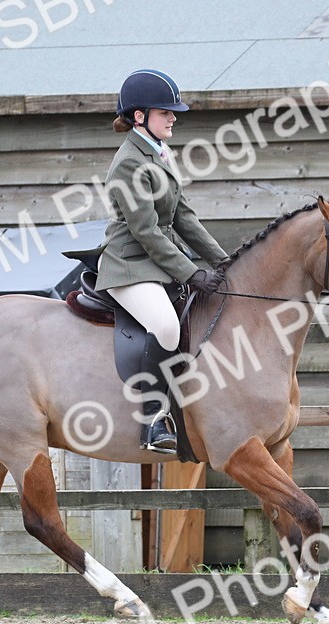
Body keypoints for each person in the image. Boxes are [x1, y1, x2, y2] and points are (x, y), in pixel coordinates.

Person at [93, 68, 228, 455]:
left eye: (173, 112)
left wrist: (224, 262)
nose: (173, 117)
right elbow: (147, 232)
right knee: (167, 327)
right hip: (129, 265)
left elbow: (184, 218)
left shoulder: (160, 153)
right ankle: (153, 420)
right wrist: (190, 272)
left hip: (158, 263)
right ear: (139, 116)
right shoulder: (128, 163)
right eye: (165, 111)